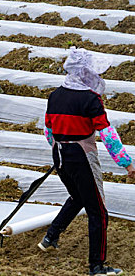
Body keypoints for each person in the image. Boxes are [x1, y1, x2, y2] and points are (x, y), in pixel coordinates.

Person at [40, 47, 135, 276]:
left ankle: (51, 236)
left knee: (78, 197)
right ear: (84, 72)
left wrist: (59, 150)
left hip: (60, 154)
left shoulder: (55, 95)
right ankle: (97, 266)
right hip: (81, 156)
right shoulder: (90, 99)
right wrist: (127, 164)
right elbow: (108, 134)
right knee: (98, 211)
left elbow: (48, 131)